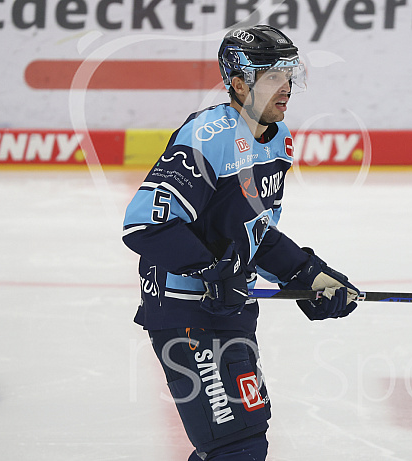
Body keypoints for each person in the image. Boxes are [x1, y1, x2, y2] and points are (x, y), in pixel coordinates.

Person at [122, 25, 359, 461]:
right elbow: (144, 226)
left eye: (290, 76)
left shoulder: (279, 139)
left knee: (244, 437)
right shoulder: (207, 138)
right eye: (273, 77)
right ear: (238, 83)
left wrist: (308, 273)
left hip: (228, 307)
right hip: (184, 311)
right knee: (235, 446)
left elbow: (255, 232)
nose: (286, 89)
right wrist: (216, 273)